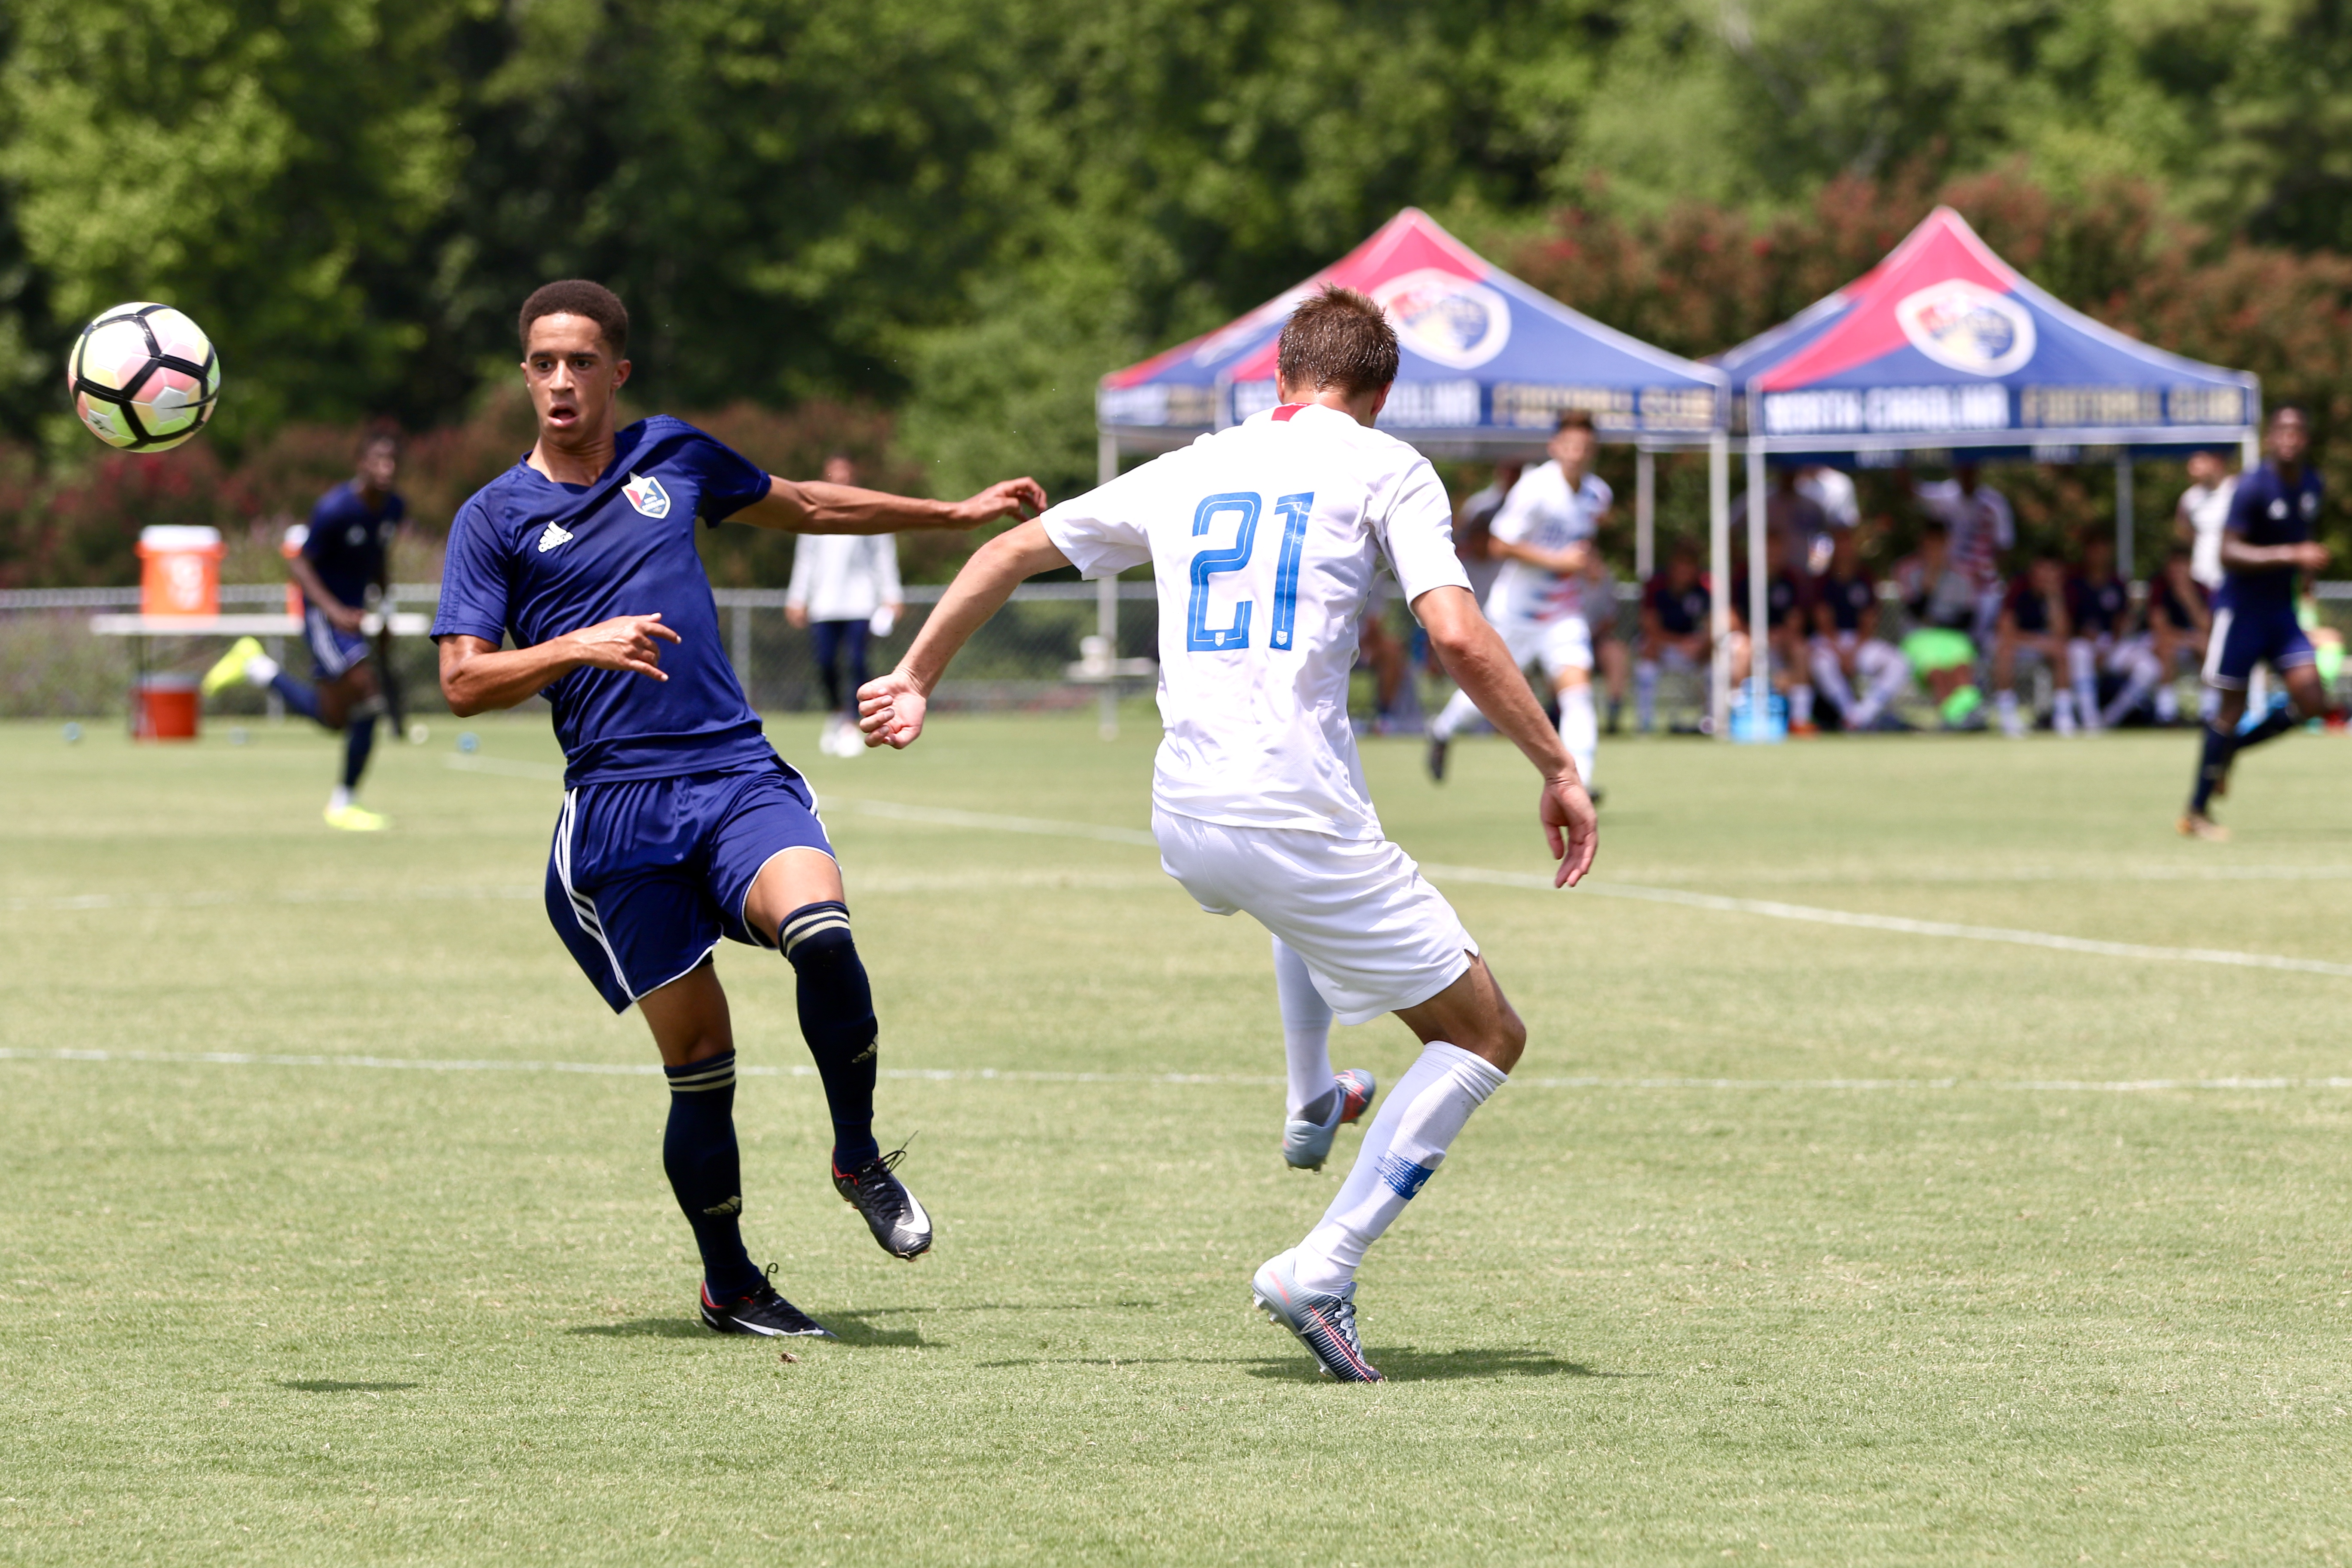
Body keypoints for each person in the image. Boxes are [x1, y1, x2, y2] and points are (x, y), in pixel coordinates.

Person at [855, 286, 1599, 1382]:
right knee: (1484, 1036)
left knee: (1299, 859)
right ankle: (1321, 1267)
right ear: (1378, 396)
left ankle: (1310, 1089)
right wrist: (1555, 763)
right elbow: (1451, 627)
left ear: (1278, 380)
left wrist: (914, 677)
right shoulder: (1386, 465)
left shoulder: (1193, 464)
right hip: (1285, 810)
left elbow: (1008, 554)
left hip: (1184, 813)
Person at [429, 280, 1046, 1336]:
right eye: (543, 363)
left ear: (617, 372)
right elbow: (460, 682)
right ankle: (730, 1283)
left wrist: (949, 516)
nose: (561, 381)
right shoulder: (492, 519)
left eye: (581, 362)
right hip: (618, 813)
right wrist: (577, 645)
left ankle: (856, 1155)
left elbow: (804, 502)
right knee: (700, 1069)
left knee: (822, 931)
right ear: (524, 375)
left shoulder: (670, 454)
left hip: (732, 773)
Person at [202, 430, 407, 830]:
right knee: (367, 691)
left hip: (353, 618)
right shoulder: (335, 509)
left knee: (333, 719)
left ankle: (257, 667)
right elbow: (299, 564)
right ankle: (344, 803)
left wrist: (384, 611)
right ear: (361, 463)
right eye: (378, 460)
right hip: (322, 615)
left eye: (393, 461)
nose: (387, 468)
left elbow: (379, 559)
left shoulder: (394, 508)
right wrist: (333, 611)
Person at [1425, 411, 1608, 795]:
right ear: (1555, 448)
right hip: (1517, 613)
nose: (1577, 454)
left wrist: (1590, 566)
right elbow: (1499, 544)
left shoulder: (1597, 495)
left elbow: (1581, 547)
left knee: (1578, 693)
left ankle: (1582, 782)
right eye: (1571, 446)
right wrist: (1559, 561)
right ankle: (1442, 730)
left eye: (1585, 448)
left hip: (1563, 614)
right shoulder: (1536, 488)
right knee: (1490, 695)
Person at [2182, 405, 2331, 840]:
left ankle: (2232, 752)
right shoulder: (2251, 487)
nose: (2290, 437)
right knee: (2231, 708)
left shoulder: (2311, 484)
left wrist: (2306, 580)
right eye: (2282, 430)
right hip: (2242, 611)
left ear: (2305, 439)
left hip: (2280, 613)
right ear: (2270, 438)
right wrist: (2292, 556)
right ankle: (2196, 811)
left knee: (2312, 699)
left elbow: (2302, 538)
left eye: (2298, 430)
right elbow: (2229, 553)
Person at [786, 453, 904, 758]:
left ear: (852, 476)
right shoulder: (812, 513)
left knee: (857, 662)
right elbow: (805, 560)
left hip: (861, 603)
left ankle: (854, 724)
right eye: (833, 473)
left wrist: (892, 594)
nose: (839, 478)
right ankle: (837, 714)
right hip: (824, 604)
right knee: (826, 663)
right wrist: (797, 598)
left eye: (844, 473)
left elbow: (883, 556)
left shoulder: (868, 510)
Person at [1809, 529, 1908, 732]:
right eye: (1841, 544)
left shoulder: (1865, 578)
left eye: (1849, 544)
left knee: (1899, 663)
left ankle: (1864, 714)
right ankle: (1848, 713)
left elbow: (1869, 621)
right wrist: (1840, 651)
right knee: (1820, 662)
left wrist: (1853, 652)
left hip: (1859, 642)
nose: (1846, 549)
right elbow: (1823, 621)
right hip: (1830, 642)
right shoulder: (1823, 580)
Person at [1890, 521, 1984, 729]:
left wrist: (1936, 622)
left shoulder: (1962, 574)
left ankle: (1967, 714)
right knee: (1937, 672)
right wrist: (1931, 576)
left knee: (1960, 669)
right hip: (1919, 637)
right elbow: (1917, 612)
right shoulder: (1907, 570)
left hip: (1952, 636)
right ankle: (1953, 718)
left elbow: (1967, 619)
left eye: (1939, 543)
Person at [2065, 533, 2162, 730]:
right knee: (2079, 652)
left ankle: (2112, 717)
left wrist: (2109, 649)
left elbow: (2121, 624)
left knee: (2151, 668)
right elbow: (2067, 624)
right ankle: (2089, 717)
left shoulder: (2117, 583)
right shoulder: (2074, 583)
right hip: (2082, 644)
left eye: (2103, 549)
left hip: (2112, 645)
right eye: (2095, 550)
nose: (2099, 555)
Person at [1911, 462, 2015, 640]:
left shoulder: (1994, 503)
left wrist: (1984, 572)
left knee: (1979, 639)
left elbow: (2005, 547)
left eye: (1971, 469)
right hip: (1952, 582)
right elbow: (1912, 492)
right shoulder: (1945, 495)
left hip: (1985, 587)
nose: (1967, 473)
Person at [1635, 542, 1717, 733]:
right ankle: (1645, 723)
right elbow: (1649, 627)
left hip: (1696, 650)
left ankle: (1711, 721)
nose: (1684, 570)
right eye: (1680, 564)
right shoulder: (1656, 586)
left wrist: (1702, 644)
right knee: (1646, 653)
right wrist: (1680, 643)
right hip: (1666, 647)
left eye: (1689, 565)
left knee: (1717, 662)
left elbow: (1714, 625)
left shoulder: (1706, 587)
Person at [1991, 554, 2074, 736]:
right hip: (2018, 645)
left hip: (2041, 646)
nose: (2045, 578)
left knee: (2062, 651)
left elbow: (2062, 634)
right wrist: (2039, 642)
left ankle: (2063, 714)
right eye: (2042, 572)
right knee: (2004, 650)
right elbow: (2006, 631)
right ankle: (2007, 713)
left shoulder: (2059, 593)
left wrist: (2054, 597)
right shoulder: (2018, 588)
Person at [2147, 548, 2213, 724]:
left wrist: (2188, 598)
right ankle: (2166, 713)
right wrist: (2187, 639)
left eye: (2181, 565)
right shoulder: (2159, 587)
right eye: (2173, 565)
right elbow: (2159, 627)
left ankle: (2209, 711)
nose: (2177, 571)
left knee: (2208, 647)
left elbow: (2207, 627)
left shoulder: (2202, 589)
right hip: (2167, 642)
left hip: (2194, 643)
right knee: (2165, 647)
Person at [2177, 448, 2239, 594]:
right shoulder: (2189, 499)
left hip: (2233, 576)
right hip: (2201, 579)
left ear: (2217, 461)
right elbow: (2185, 531)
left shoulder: (2237, 489)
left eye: (2199, 460)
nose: (2193, 467)